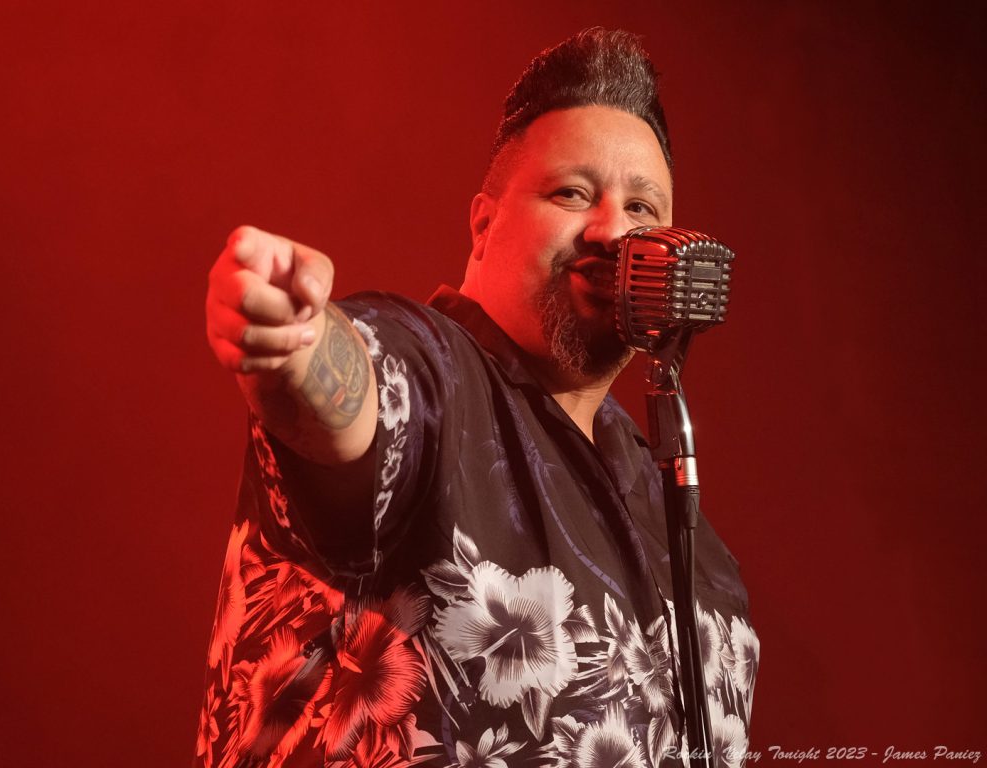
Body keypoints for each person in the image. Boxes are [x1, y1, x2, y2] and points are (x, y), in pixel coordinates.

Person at [198, 28, 758, 768]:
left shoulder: (687, 536)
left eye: (643, 208)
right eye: (572, 193)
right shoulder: (439, 378)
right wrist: (295, 341)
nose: (612, 231)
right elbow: (361, 392)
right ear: (484, 224)